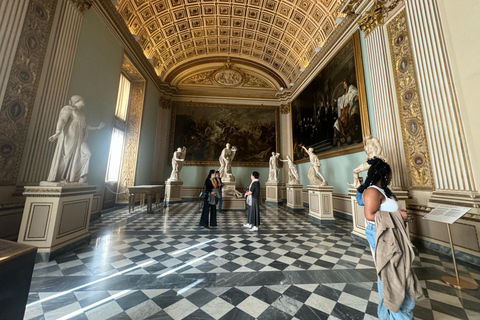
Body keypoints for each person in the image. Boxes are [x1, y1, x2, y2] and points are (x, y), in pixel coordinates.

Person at [358, 157, 423, 319]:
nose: (391, 176)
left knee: (396, 272)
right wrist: (397, 214)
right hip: (383, 236)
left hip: (393, 234)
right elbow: (370, 215)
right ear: (383, 174)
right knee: (390, 273)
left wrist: (403, 218)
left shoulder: (382, 191)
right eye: (389, 174)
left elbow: (386, 213)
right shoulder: (372, 191)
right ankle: (395, 313)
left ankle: (389, 314)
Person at [47, 95, 105, 183]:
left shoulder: (81, 113)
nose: (83, 101)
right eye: (82, 99)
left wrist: (97, 128)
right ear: (77, 100)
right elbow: (62, 119)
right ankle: (62, 177)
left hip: (79, 136)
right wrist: (57, 132)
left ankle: (80, 176)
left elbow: (85, 125)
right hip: (70, 134)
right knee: (67, 155)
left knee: (87, 154)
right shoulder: (69, 108)